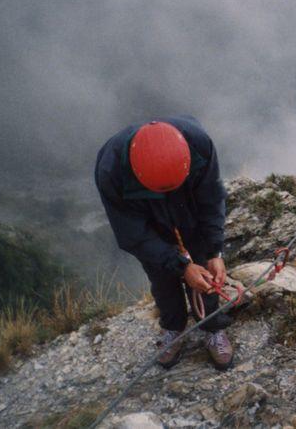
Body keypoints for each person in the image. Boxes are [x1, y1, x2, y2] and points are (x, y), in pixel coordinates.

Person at [94, 116, 234, 370]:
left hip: (188, 209)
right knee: (160, 273)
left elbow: (211, 198)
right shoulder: (110, 171)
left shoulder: (199, 146)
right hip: (147, 218)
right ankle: (173, 328)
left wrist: (215, 249)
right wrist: (181, 267)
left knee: (203, 263)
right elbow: (133, 235)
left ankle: (213, 327)